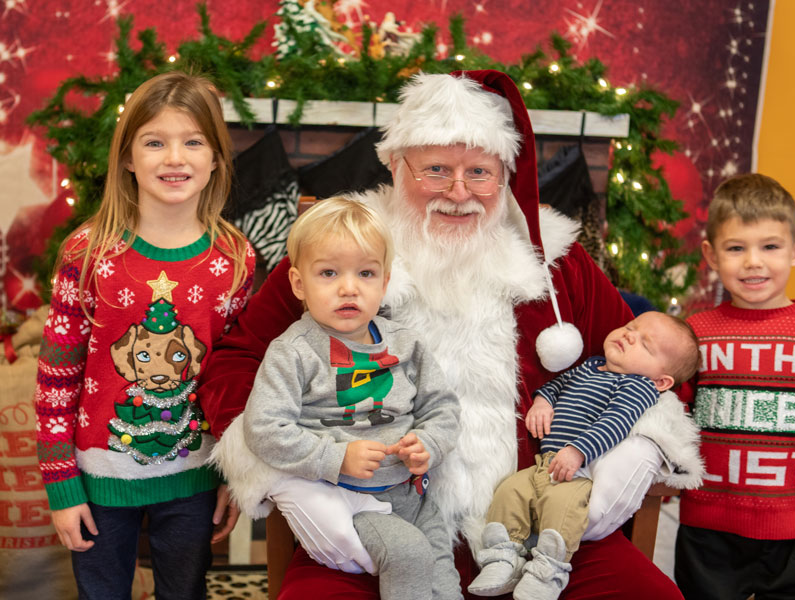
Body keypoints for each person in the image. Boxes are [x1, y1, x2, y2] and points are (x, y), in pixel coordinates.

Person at [202, 69, 702, 599]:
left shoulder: (555, 263)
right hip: (371, 515)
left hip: (535, 529)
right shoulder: (340, 253)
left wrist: (636, 452)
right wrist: (296, 474)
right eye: (436, 170)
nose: (460, 193)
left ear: (504, 174)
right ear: (396, 166)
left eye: (479, 173)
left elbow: (667, 369)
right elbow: (236, 362)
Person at [34, 71, 253, 599]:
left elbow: (238, 379)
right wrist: (61, 485)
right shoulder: (88, 254)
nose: (174, 158)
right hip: (100, 476)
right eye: (155, 142)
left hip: (196, 475)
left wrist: (237, 474)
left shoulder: (234, 260)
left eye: (192, 141)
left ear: (216, 158)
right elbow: (56, 379)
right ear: (128, 157)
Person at [212, 197, 462, 600]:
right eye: (328, 273)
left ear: (384, 282)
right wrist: (335, 458)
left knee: (444, 576)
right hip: (351, 499)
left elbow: (442, 407)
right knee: (409, 555)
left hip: (413, 491)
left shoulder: (407, 343)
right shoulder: (294, 351)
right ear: (298, 284)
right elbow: (263, 428)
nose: (349, 288)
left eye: (365, 273)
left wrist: (429, 443)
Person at [675, 173, 795, 600]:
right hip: (706, 537)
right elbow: (673, 424)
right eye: (736, 248)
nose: (753, 262)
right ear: (711, 254)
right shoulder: (694, 335)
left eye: (770, 247)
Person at [470, 311, 701, 600]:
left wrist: (579, 450)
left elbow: (616, 422)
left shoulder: (639, 387)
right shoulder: (590, 365)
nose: (629, 335)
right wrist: (543, 401)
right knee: (510, 490)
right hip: (546, 462)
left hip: (577, 472)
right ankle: (503, 556)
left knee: (561, 505)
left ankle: (549, 569)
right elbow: (557, 385)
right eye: (630, 327)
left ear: (662, 381)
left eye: (645, 344)